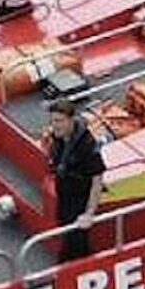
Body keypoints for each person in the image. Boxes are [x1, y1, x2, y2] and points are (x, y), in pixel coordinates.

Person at [44, 98, 105, 261]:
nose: (55, 125)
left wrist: (89, 213)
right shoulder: (59, 137)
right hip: (65, 199)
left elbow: (97, 180)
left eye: (59, 121)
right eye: (53, 121)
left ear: (71, 120)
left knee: (74, 247)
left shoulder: (86, 145)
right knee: (75, 244)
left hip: (79, 203)